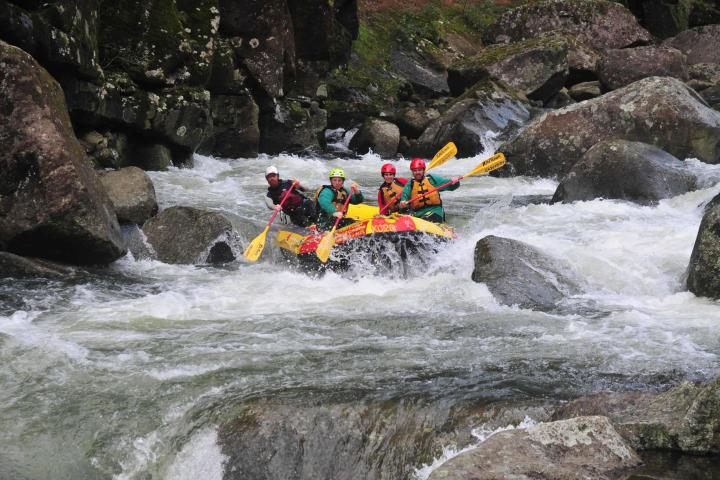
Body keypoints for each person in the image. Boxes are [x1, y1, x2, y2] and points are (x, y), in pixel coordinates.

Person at [399, 158, 459, 223]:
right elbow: (404, 196)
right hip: (417, 213)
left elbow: (449, 186)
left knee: (426, 219)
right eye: (415, 171)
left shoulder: (432, 179)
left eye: (419, 170)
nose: (417, 172)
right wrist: (403, 203)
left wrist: (454, 182)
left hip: (435, 210)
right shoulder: (410, 184)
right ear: (412, 172)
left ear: (423, 170)